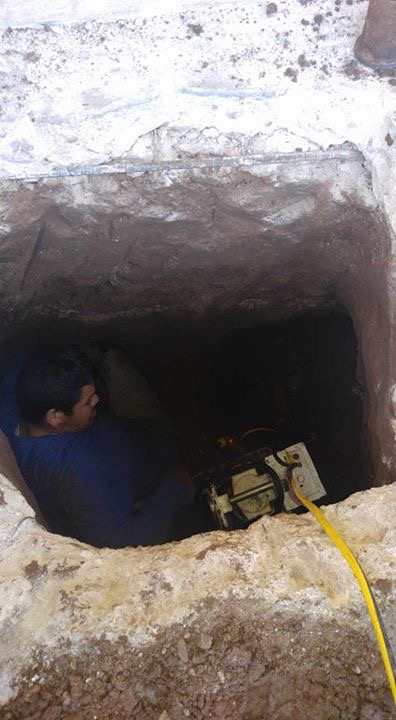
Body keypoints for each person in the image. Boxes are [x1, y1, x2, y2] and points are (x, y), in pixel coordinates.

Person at [0, 345, 195, 548]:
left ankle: (105, 357)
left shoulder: (12, 396)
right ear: (55, 417)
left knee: (112, 361)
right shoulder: (83, 472)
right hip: (151, 459)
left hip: (120, 431)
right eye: (87, 402)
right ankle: (109, 356)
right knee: (118, 364)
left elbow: (23, 359)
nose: (97, 400)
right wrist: (177, 488)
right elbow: (123, 541)